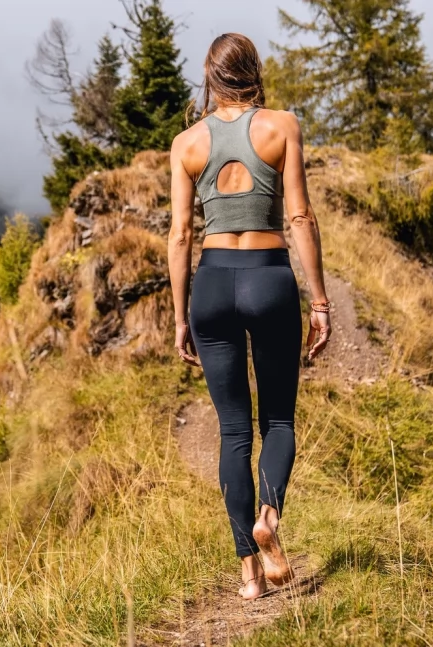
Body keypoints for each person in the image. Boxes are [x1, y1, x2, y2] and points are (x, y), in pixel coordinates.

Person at [167, 32, 331, 600]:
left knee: (233, 431)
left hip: (211, 285)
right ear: (253, 71)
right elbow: (301, 217)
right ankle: (268, 516)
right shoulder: (281, 126)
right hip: (268, 278)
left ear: (210, 77)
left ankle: (248, 576)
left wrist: (180, 317)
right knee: (277, 421)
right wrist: (320, 302)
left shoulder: (186, 143)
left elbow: (180, 234)